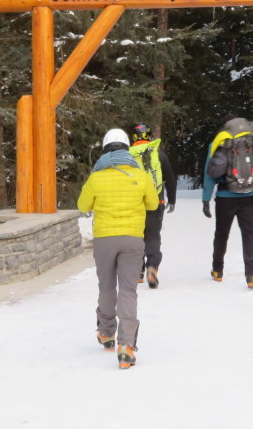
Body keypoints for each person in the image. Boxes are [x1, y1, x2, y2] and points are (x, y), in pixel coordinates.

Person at [77, 127, 159, 369]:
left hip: (104, 239)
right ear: (126, 148)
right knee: (128, 291)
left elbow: (82, 204)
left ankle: (105, 333)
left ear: (105, 148)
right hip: (133, 239)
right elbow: (153, 203)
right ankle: (126, 346)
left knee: (106, 287)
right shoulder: (140, 174)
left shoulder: (97, 176)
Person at [202, 114, 253, 289]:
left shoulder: (218, 144)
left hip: (225, 197)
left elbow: (209, 174)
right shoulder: (252, 143)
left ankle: (217, 270)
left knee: (221, 233)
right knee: (248, 233)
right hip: (249, 195)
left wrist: (206, 199)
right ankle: (251, 275)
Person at [128, 123, 177, 289]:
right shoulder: (159, 155)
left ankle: (138, 271)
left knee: (136, 235)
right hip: (156, 202)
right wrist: (172, 199)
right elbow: (170, 178)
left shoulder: (127, 156)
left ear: (134, 137)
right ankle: (152, 267)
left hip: (134, 203)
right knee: (153, 235)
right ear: (149, 136)